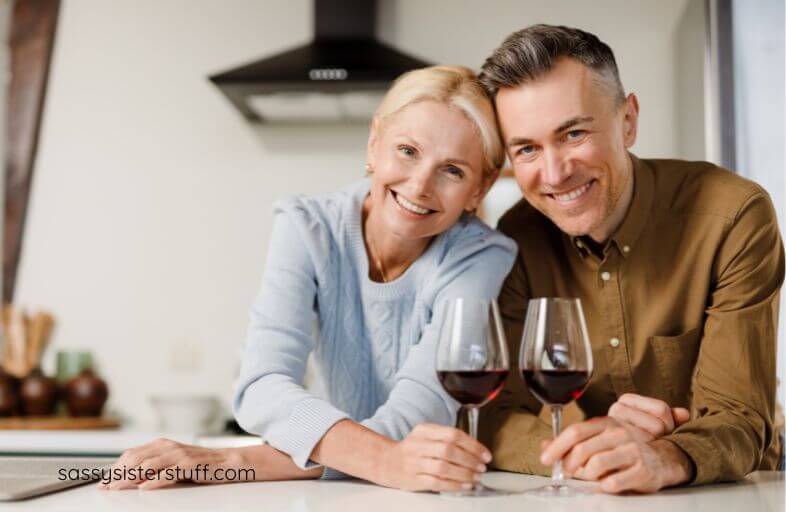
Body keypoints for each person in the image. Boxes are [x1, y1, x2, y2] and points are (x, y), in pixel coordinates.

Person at [99, 66, 517, 492]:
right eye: (408, 151)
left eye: (453, 171)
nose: (420, 184)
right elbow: (261, 383)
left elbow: (413, 425)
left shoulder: (481, 257)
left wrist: (235, 460)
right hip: (335, 491)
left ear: (479, 189)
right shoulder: (307, 226)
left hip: (436, 495)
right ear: (374, 143)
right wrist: (386, 461)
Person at [477, 24, 784, 494]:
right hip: (599, 495)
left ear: (628, 121)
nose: (555, 173)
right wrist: (593, 449)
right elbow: (495, 415)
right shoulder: (517, 238)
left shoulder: (733, 216)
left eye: (574, 133)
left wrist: (661, 455)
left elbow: (738, 417)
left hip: (738, 492)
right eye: (527, 149)